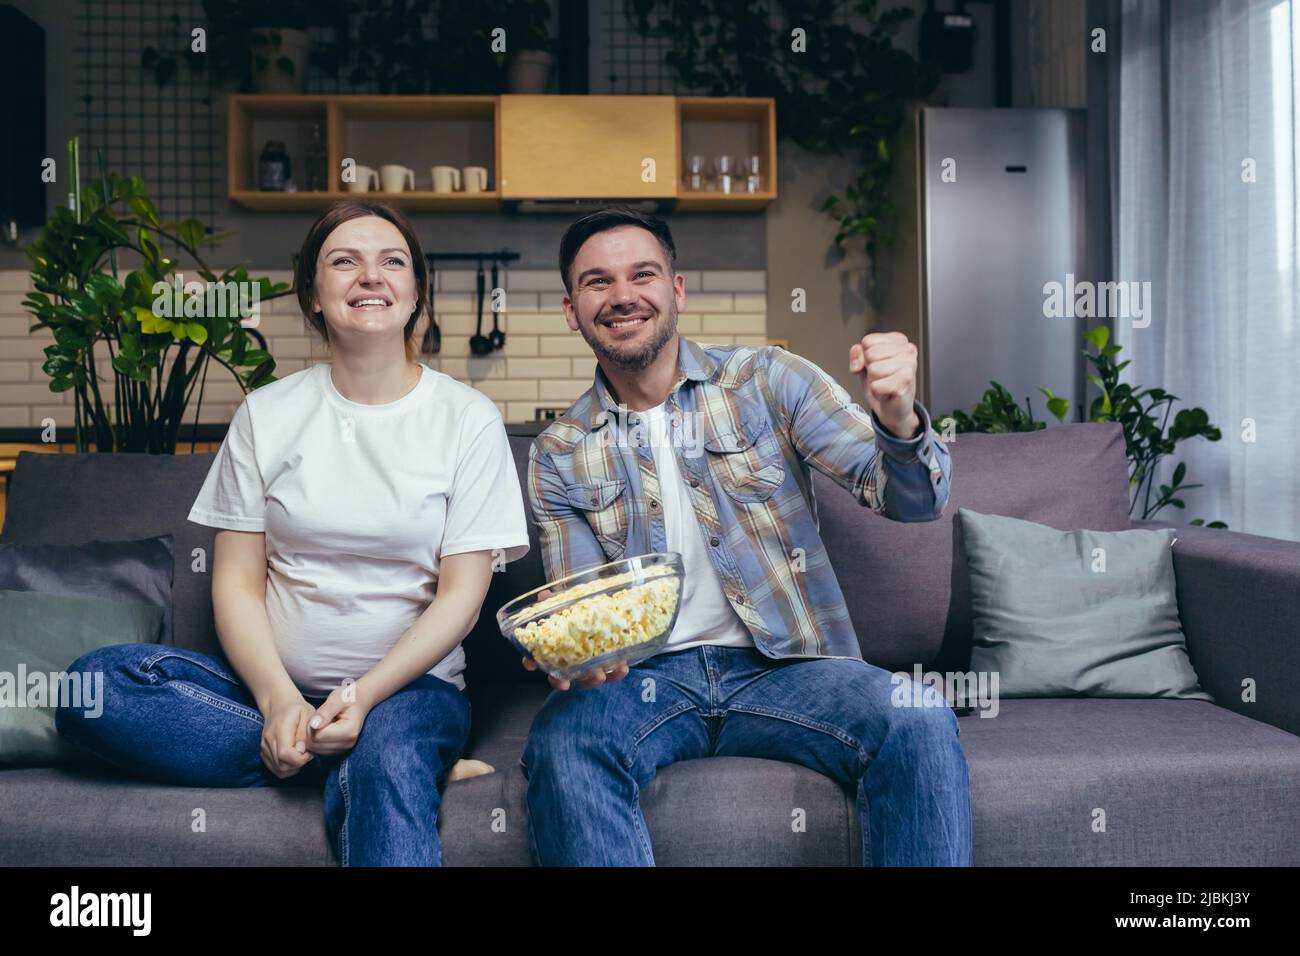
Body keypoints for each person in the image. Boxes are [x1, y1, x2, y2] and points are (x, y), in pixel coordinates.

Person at [57, 199, 529, 867]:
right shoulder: (266, 414)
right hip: (269, 690)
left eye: (392, 261)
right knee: (94, 686)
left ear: (416, 291)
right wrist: (278, 699)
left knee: (387, 752)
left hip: (408, 695)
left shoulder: (468, 420)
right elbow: (239, 583)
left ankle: (373, 757)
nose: (371, 276)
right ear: (313, 292)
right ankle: (329, 758)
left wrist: (363, 697)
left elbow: (462, 597)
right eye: (345, 261)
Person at [520, 206, 970, 866]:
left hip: (789, 668)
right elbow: (589, 610)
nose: (621, 296)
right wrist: (578, 653)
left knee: (919, 718)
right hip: (649, 681)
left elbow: (913, 499)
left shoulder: (766, 380)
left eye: (641, 274)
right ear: (571, 308)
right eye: (597, 282)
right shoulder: (560, 451)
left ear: (676, 290)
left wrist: (898, 416)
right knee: (564, 745)